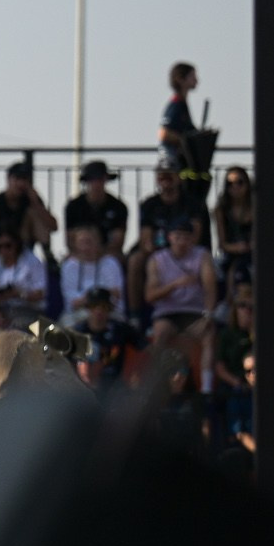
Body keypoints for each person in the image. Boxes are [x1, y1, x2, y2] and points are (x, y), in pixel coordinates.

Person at [129, 155, 211, 313]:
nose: (165, 178)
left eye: (170, 174)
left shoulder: (192, 203)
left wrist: (177, 251)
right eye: (161, 174)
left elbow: (195, 235)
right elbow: (145, 239)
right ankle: (134, 315)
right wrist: (162, 256)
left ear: (179, 177)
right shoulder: (149, 204)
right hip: (159, 254)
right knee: (135, 260)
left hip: (187, 251)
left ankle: (208, 312)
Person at [146, 218, 218, 388]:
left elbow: (210, 287)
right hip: (168, 312)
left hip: (194, 311)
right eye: (177, 236)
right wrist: (175, 284)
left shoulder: (203, 255)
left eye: (186, 237)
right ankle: (154, 384)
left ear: (192, 239)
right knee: (160, 333)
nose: (182, 242)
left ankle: (206, 388)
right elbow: (150, 295)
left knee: (209, 335)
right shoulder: (157, 259)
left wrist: (208, 315)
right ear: (169, 237)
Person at [0, 162, 58, 268]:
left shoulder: (31, 201)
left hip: (23, 249)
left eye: (25, 179)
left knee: (33, 213)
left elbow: (53, 227)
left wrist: (36, 203)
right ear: (9, 179)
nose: (21, 184)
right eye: (17, 179)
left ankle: (48, 256)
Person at [0, 230, 46, 324]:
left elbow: (40, 294)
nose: (3, 250)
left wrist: (19, 294)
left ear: (16, 244)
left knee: (21, 323)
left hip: (23, 307)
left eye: (8, 245)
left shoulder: (32, 261)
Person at [72, 287, 139, 391]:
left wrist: (137, 374)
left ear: (109, 309)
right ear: (88, 308)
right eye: (94, 306)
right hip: (83, 390)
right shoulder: (77, 332)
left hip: (114, 388)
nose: (99, 311)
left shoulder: (121, 329)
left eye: (103, 306)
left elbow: (146, 349)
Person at [63, 160, 130, 261]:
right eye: (92, 179)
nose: (96, 183)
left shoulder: (118, 207)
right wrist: (86, 251)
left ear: (106, 179)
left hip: (109, 254)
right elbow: (70, 240)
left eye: (100, 178)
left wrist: (98, 253)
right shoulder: (74, 206)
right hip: (80, 254)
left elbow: (118, 241)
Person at [58, 225, 126, 324]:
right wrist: (99, 296)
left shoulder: (111, 263)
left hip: (109, 313)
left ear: (98, 242)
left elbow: (116, 296)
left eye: (89, 242)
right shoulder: (69, 266)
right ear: (75, 245)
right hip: (77, 314)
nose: (85, 247)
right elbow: (72, 302)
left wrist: (89, 299)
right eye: (81, 243)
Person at [212, 166, 254, 295]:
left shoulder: (256, 208)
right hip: (230, 254)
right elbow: (222, 243)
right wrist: (236, 248)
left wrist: (249, 246)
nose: (235, 187)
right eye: (230, 183)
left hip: (254, 253)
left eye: (239, 182)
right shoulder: (221, 210)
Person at [157, 61, 200, 168]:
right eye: (192, 76)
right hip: (173, 162)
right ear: (181, 79)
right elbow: (163, 133)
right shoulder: (176, 104)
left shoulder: (182, 104)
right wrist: (183, 141)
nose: (196, 80)